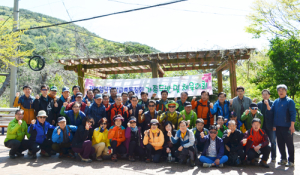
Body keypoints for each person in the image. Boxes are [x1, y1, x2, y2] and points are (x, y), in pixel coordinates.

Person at [266, 84, 296, 167]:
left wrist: (292, 126)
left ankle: (291, 161)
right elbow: (271, 111)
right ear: (277, 92)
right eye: (279, 90)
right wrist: (267, 104)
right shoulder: (276, 101)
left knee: (289, 144)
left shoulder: (289, 101)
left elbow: (293, 114)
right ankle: (283, 159)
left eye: (283, 90)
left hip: (287, 127)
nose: (281, 91)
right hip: (278, 127)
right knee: (280, 144)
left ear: (286, 91)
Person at [257, 89, 276, 162]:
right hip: (261, 127)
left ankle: (273, 157)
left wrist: (275, 125)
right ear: (262, 95)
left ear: (269, 95)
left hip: (271, 126)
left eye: (266, 94)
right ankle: (259, 155)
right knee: (260, 141)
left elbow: (275, 115)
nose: (265, 96)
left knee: (273, 142)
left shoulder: (273, 103)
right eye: (263, 94)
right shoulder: (259, 104)